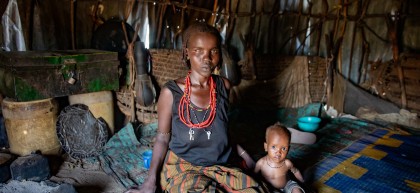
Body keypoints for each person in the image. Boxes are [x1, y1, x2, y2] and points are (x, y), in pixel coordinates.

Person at [125, 22, 264, 193]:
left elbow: (222, 129)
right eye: (198, 51)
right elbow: (162, 137)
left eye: (213, 51)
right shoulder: (171, 92)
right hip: (185, 167)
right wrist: (150, 181)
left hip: (221, 166)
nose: (207, 58)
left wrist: (245, 157)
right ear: (187, 53)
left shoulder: (224, 86)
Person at [254, 122, 306, 193]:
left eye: (284, 148)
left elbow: (296, 171)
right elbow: (254, 176)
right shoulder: (261, 163)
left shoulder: (287, 163)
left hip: (287, 185)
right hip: (271, 189)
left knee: (297, 190)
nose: (278, 152)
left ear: (288, 149)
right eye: (274, 147)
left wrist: (302, 182)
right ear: (266, 147)